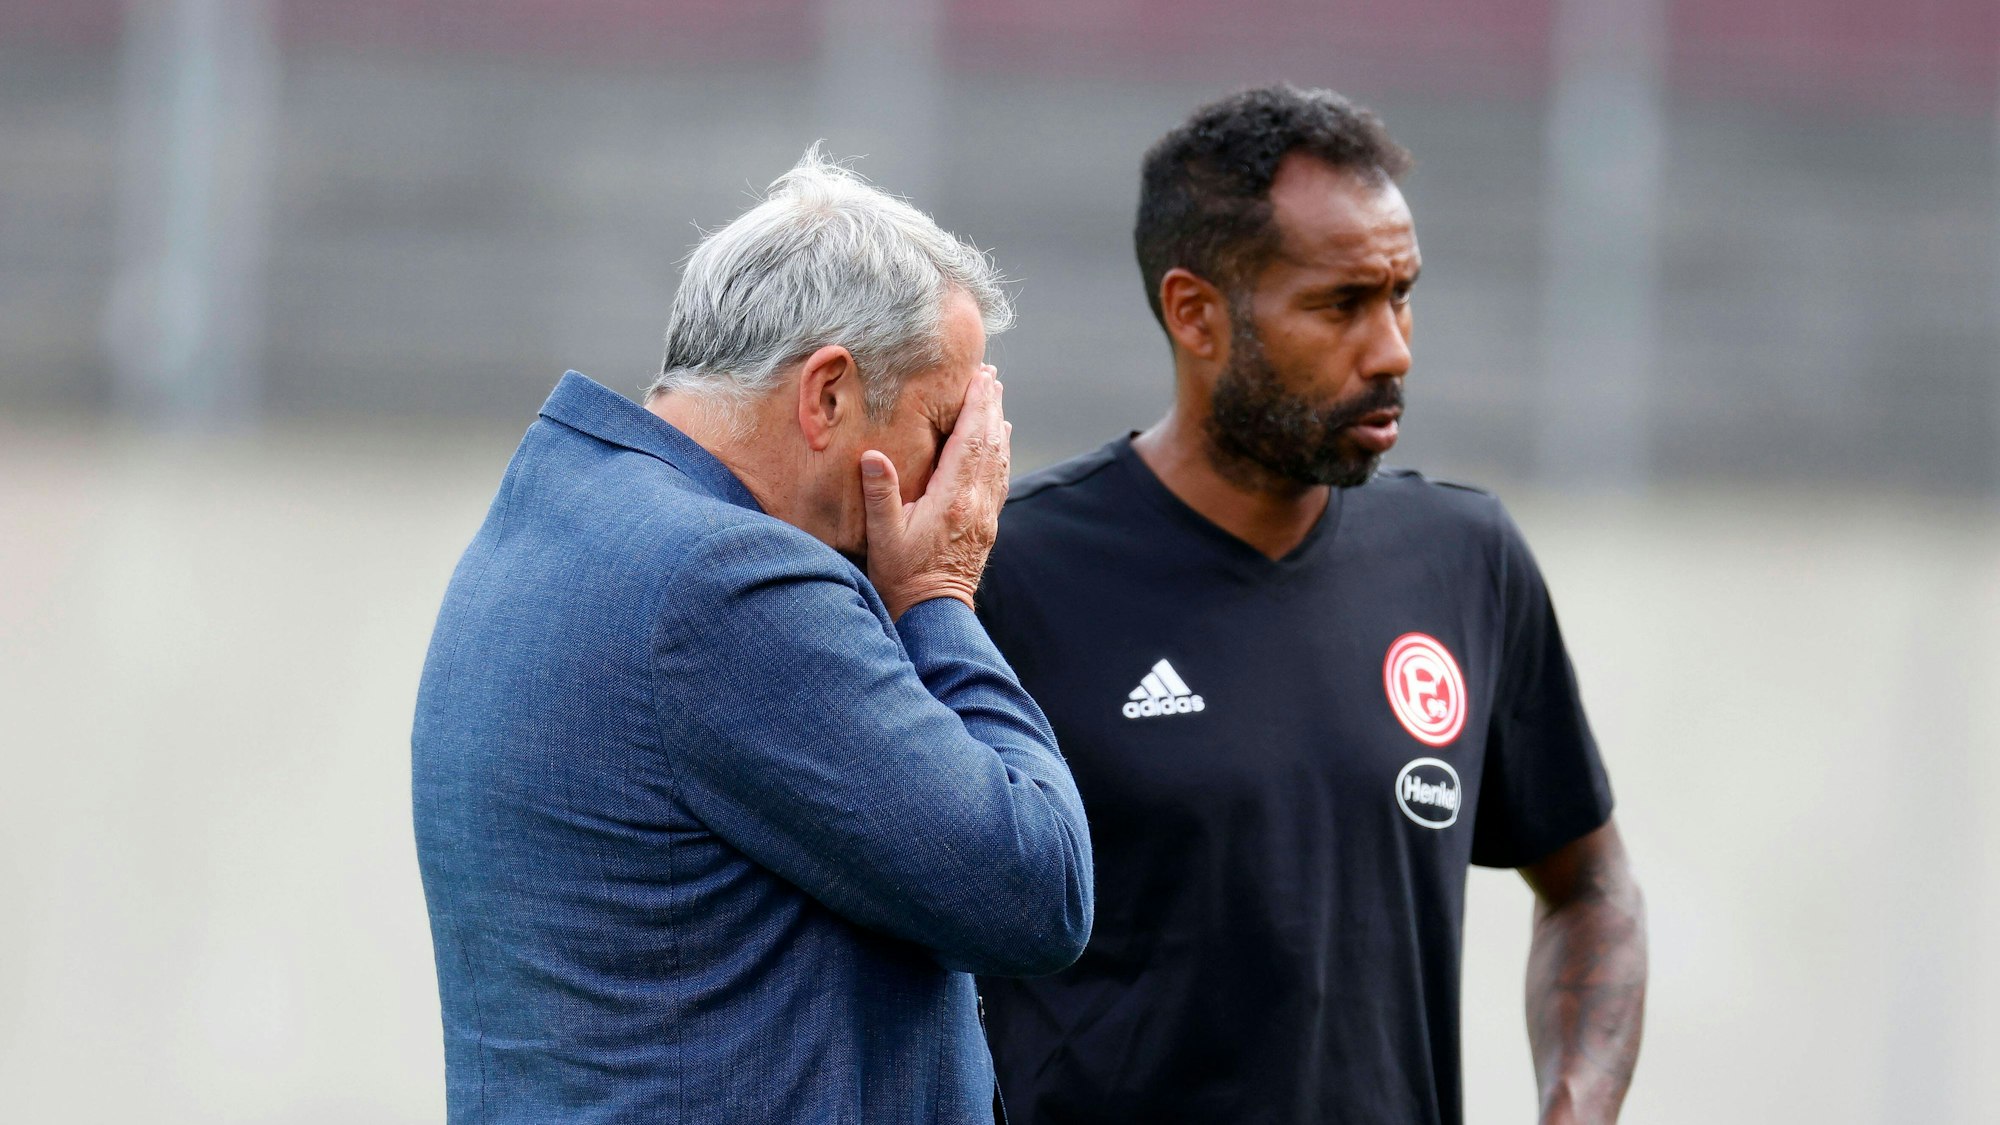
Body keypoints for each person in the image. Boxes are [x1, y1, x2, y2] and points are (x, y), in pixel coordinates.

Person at [975, 85, 1647, 1124]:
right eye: (1341, 305)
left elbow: (1592, 888)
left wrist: (1574, 1107)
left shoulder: (1465, 561)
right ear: (1195, 313)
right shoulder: (1008, 576)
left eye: (1401, 295)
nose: (1392, 349)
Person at [412, 149, 1092, 1124]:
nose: (961, 480)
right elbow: (1035, 890)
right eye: (944, 431)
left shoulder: (557, 519)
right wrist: (940, 590)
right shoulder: (728, 583)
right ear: (827, 395)